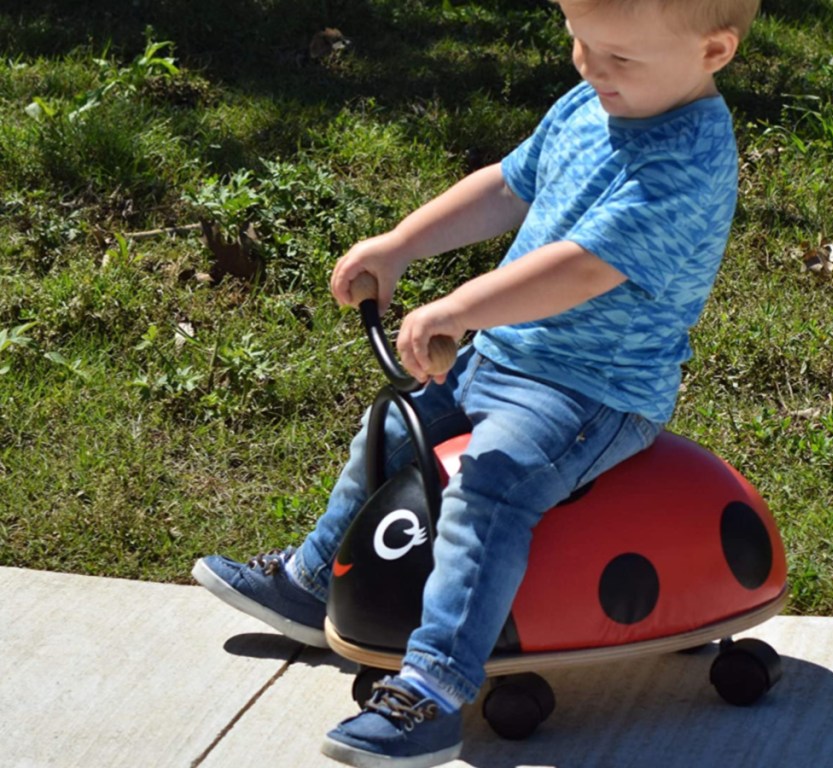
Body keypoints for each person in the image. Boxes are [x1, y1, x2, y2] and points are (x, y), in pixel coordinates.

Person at [192, 0, 759, 765]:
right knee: (394, 429)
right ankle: (315, 576)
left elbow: (585, 267)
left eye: (618, 57)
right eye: (578, 42)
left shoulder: (685, 160)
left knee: (492, 486)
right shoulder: (595, 101)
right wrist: (401, 245)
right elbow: (507, 185)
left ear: (714, 52)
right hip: (506, 355)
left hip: (590, 391)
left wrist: (460, 307)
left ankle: (431, 688)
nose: (589, 68)